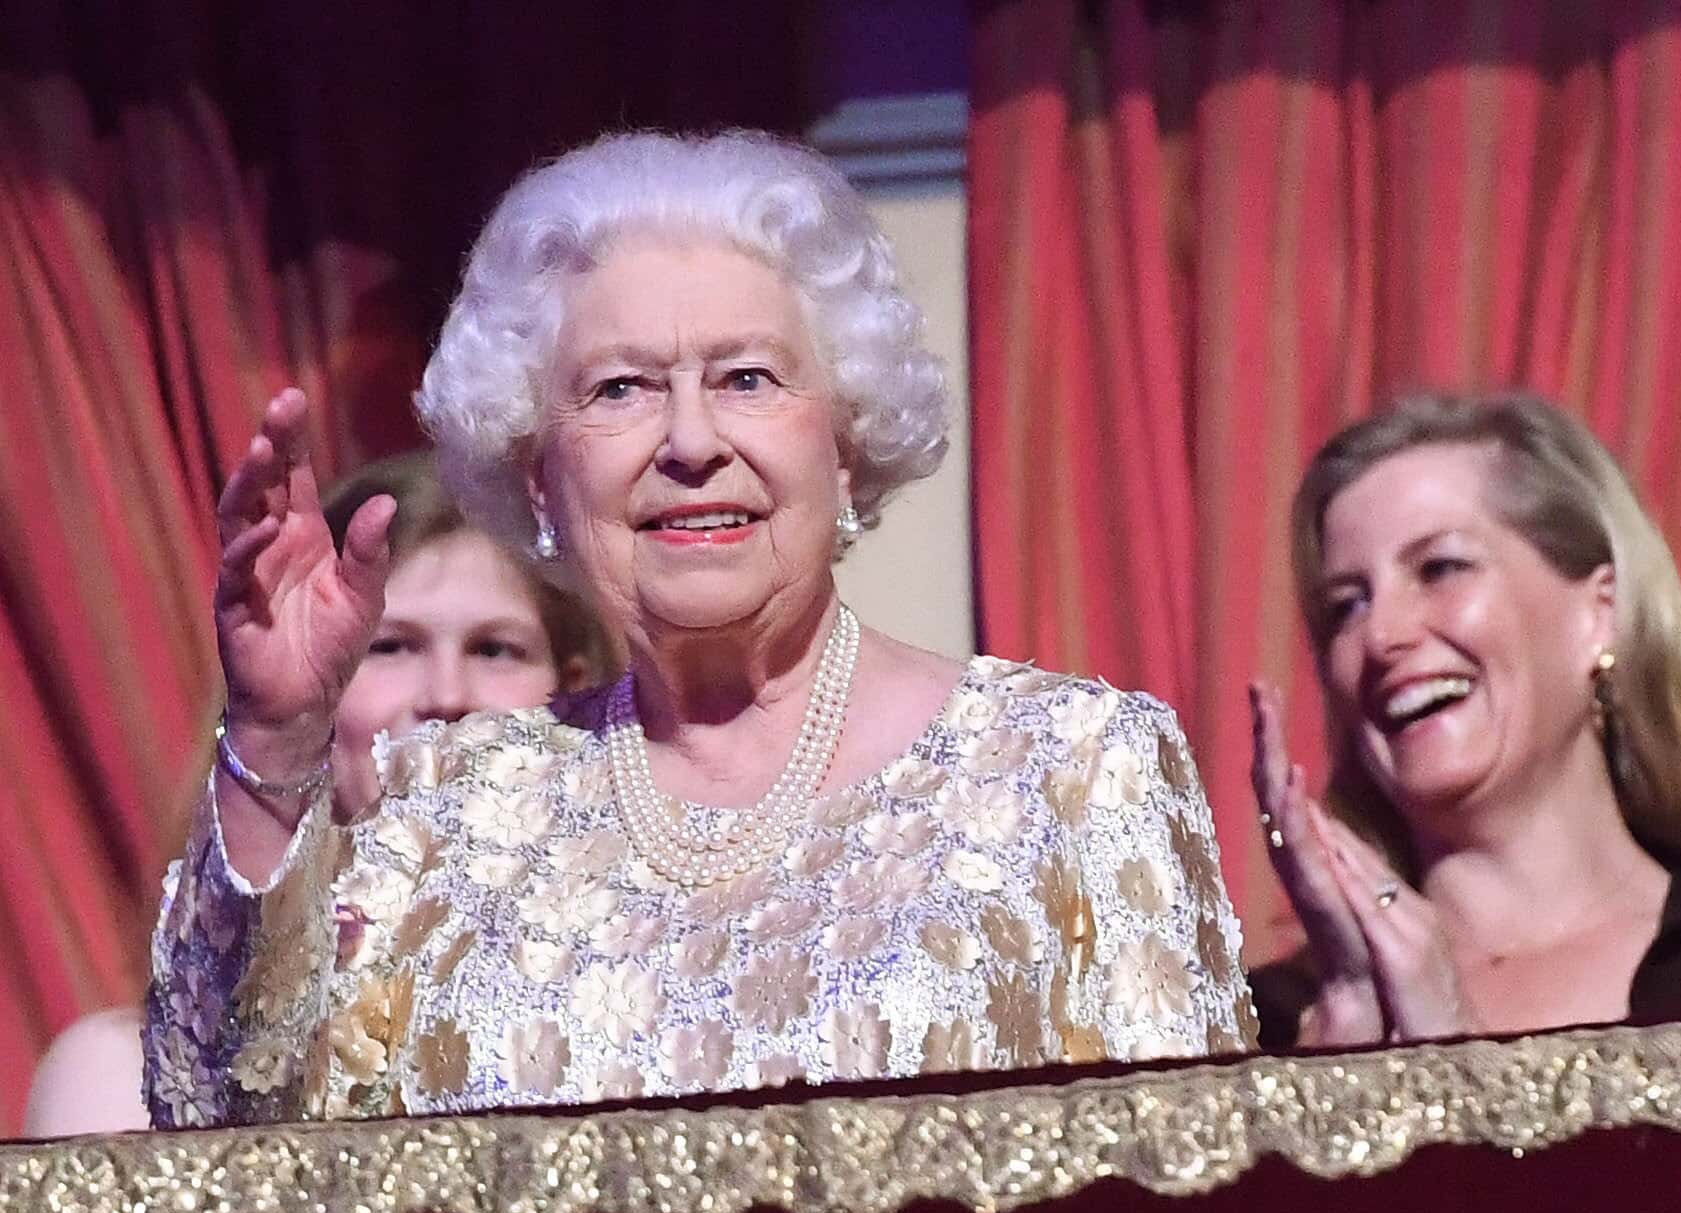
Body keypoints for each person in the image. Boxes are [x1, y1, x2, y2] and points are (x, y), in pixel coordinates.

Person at [146, 129, 1254, 1129]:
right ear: (541, 471)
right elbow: (219, 1129)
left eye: (748, 378)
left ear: (848, 438)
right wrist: (280, 740)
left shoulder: (1071, 771)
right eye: (621, 389)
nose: (689, 442)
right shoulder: (437, 812)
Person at [1248, 390, 1681, 1048]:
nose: (1382, 634)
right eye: (1346, 607)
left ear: (1598, 616)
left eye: (1441, 568)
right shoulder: (1266, 1025)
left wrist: (1447, 1051)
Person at [25, 454, 610, 1137]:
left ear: (573, 687)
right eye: (390, 647)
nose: (446, 696)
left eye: (495, 650)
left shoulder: (636, 1022)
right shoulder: (121, 1079)